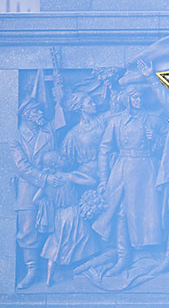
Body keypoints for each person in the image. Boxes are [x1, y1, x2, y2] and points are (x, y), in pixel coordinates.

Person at [93, 85, 163, 276]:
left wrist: (154, 138)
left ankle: (143, 253)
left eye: (140, 96)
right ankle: (123, 257)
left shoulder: (152, 119)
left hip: (145, 169)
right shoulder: (116, 122)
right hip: (122, 169)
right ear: (127, 100)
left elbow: (164, 149)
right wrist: (102, 179)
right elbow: (104, 150)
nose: (138, 100)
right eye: (134, 97)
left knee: (144, 212)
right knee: (120, 211)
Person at [10, 97, 61, 289]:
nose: (41, 114)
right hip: (28, 188)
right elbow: (22, 167)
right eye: (37, 111)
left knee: (53, 226)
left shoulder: (48, 131)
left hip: (51, 187)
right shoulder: (17, 138)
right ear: (27, 115)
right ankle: (31, 269)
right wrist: (44, 178)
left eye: (40, 111)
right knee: (27, 229)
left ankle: (54, 267)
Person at [39, 151, 100, 286]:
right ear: (55, 164)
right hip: (74, 213)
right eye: (60, 157)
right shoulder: (70, 176)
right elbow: (92, 181)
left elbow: (36, 199)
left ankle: (49, 279)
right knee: (86, 240)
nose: (64, 158)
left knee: (56, 245)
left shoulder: (48, 182)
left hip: (58, 216)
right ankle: (87, 270)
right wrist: (78, 173)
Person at [62, 91, 106, 186]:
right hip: (87, 174)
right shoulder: (73, 134)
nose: (94, 104)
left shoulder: (102, 120)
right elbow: (67, 162)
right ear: (81, 108)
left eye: (93, 101)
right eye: (90, 103)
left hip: (108, 167)